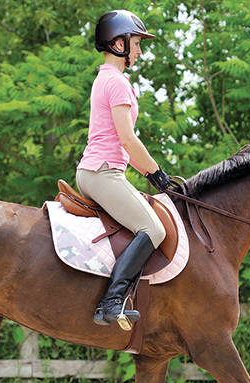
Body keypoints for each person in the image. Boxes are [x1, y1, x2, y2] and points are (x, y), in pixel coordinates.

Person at [76, 9, 174, 328]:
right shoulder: (116, 82)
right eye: (136, 43)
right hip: (102, 172)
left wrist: (149, 173)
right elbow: (128, 141)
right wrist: (158, 175)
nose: (140, 50)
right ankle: (112, 301)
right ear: (119, 43)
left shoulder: (107, 78)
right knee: (154, 229)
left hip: (100, 170)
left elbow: (125, 146)